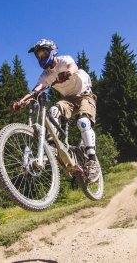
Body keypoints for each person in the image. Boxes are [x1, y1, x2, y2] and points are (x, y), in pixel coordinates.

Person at [11, 39, 100, 182]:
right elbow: (36, 91)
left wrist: (67, 73)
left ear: (52, 51)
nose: (41, 57)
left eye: (43, 53)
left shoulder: (64, 60)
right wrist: (21, 102)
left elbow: (73, 66)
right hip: (69, 100)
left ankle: (92, 160)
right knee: (53, 110)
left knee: (83, 122)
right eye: (39, 56)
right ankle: (53, 145)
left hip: (85, 95)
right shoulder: (45, 76)